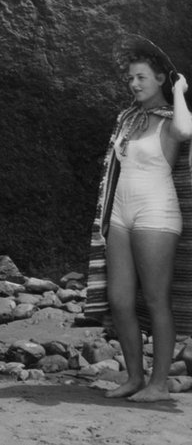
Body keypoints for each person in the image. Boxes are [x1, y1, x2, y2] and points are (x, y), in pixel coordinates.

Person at [92, 42, 192, 401]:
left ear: (161, 79)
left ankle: (159, 384)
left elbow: (186, 132)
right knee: (120, 300)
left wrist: (180, 91)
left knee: (155, 298)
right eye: (130, 78)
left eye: (142, 78)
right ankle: (135, 377)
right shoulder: (128, 118)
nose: (134, 84)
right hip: (121, 212)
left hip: (157, 213)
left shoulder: (171, 119)